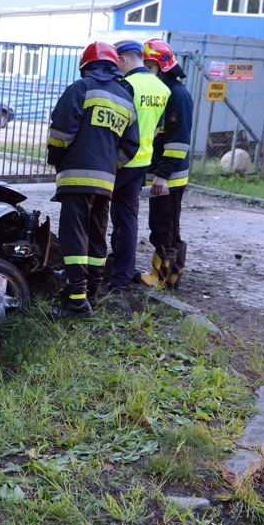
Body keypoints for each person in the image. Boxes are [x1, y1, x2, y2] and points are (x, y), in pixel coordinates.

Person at [46, 41, 139, 319]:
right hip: (106, 183)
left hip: (76, 178)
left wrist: (57, 159)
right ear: (114, 65)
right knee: (97, 236)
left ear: (85, 66)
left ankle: (75, 302)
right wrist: (110, 166)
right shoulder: (125, 97)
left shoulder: (80, 88)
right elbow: (131, 146)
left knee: (74, 238)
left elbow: (60, 133)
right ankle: (92, 295)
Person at [107, 40, 170, 295]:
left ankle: (94, 268)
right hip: (142, 161)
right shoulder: (162, 88)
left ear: (121, 60)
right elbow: (157, 129)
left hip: (121, 159)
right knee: (127, 217)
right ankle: (121, 274)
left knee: (98, 213)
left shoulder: (127, 85)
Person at [139, 38, 194, 289]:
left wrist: (162, 175)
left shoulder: (177, 94)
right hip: (163, 171)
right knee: (165, 224)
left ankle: (161, 277)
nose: (145, 71)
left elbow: (178, 141)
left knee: (165, 226)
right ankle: (171, 275)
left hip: (170, 175)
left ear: (162, 66)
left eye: (149, 66)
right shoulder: (163, 91)